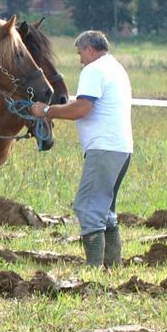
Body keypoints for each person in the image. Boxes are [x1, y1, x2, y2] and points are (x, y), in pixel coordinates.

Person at [29, 30, 133, 268]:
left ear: (89, 49)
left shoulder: (94, 70)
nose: (80, 60)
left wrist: (46, 111)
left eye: (80, 53)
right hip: (121, 149)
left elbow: (82, 109)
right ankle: (112, 266)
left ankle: (95, 269)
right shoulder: (115, 68)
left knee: (87, 206)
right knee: (104, 209)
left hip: (104, 149)